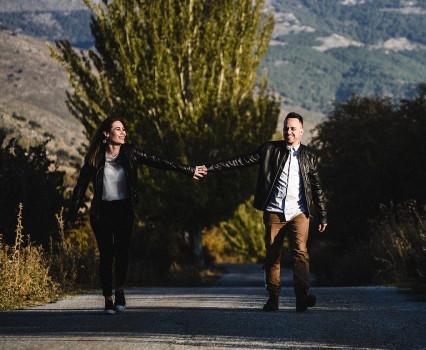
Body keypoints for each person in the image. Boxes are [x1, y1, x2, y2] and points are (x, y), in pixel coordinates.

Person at [66, 116, 206, 314]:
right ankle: (107, 298)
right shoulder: (95, 157)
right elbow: (80, 188)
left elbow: (159, 161)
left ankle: (120, 290)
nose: (123, 132)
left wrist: (188, 170)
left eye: (124, 129)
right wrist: (72, 214)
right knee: (106, 255)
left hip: (124, 210)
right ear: (106, 134)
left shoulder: (130, 153)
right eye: (117, 129)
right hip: (101, 213)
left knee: (121, 253)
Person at [206, 112, 328, 312]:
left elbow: (317, 188)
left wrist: (322, 215)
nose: (288, 131)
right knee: (272, 254)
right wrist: (210, 168)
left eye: (292, 128)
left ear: (301, 131)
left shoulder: (309, 157)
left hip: (299, 212)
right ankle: (273, 297)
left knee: (301, 253)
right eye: (286, 128)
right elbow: (241, 160)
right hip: (274, 211)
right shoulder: (270, 149)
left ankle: (302, 296)